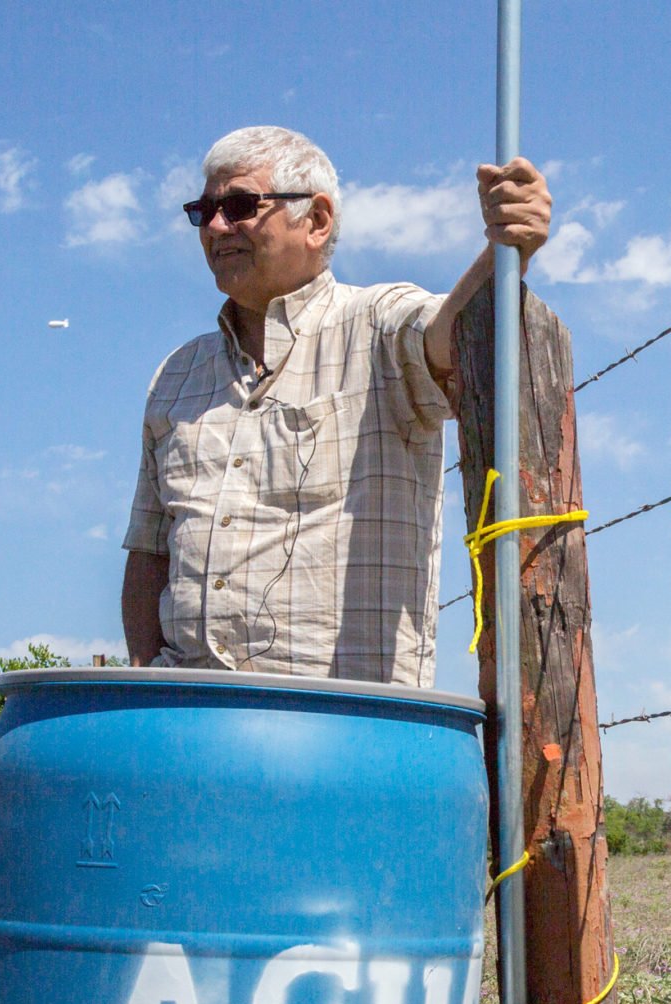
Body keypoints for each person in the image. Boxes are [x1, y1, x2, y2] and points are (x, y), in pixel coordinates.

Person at [119, 125, 551, 686]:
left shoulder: (378, 325)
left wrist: (508, 246)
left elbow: (454, 338)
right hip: (187, 719)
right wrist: (142, 680)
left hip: (345, 726)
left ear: (316, 221)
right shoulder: (176, 377)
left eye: (241, 205)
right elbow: (151, 550)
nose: (218, 226)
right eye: (205, 212)